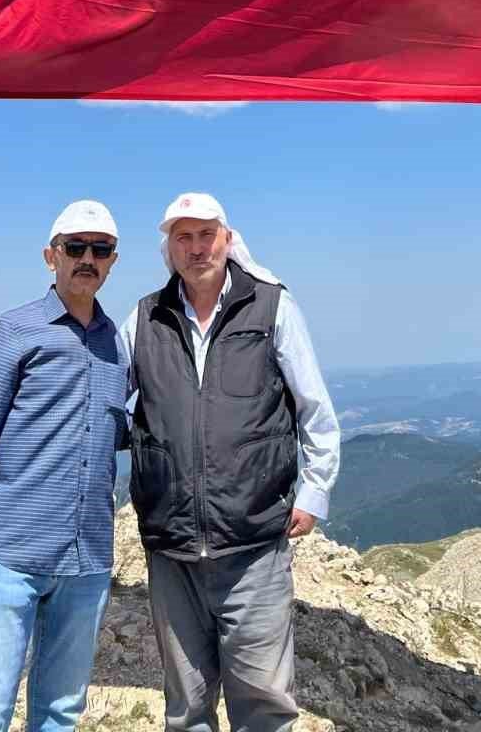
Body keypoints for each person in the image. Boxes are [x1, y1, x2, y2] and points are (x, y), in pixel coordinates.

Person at [121, 192, 340, 732]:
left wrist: (314, 493)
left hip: (253, 545)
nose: (196, 249)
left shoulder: (271, 306)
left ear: (227, 239)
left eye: (206, 235)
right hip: (171, 548)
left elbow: (314, 407)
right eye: (183, 237)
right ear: (168, 249)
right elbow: (107, 402)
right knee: (186, 706)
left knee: (263, 700)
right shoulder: (145, 317)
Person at [0, 201, 126, 732]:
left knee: (60, 713)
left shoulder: (118, 345)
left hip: (86, 562)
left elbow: (117, 433)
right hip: (8, 558)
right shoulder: (14, 332)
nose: (88, 258)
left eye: (100, 249)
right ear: (51, 256)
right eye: (75, 247)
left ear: (113, 260)